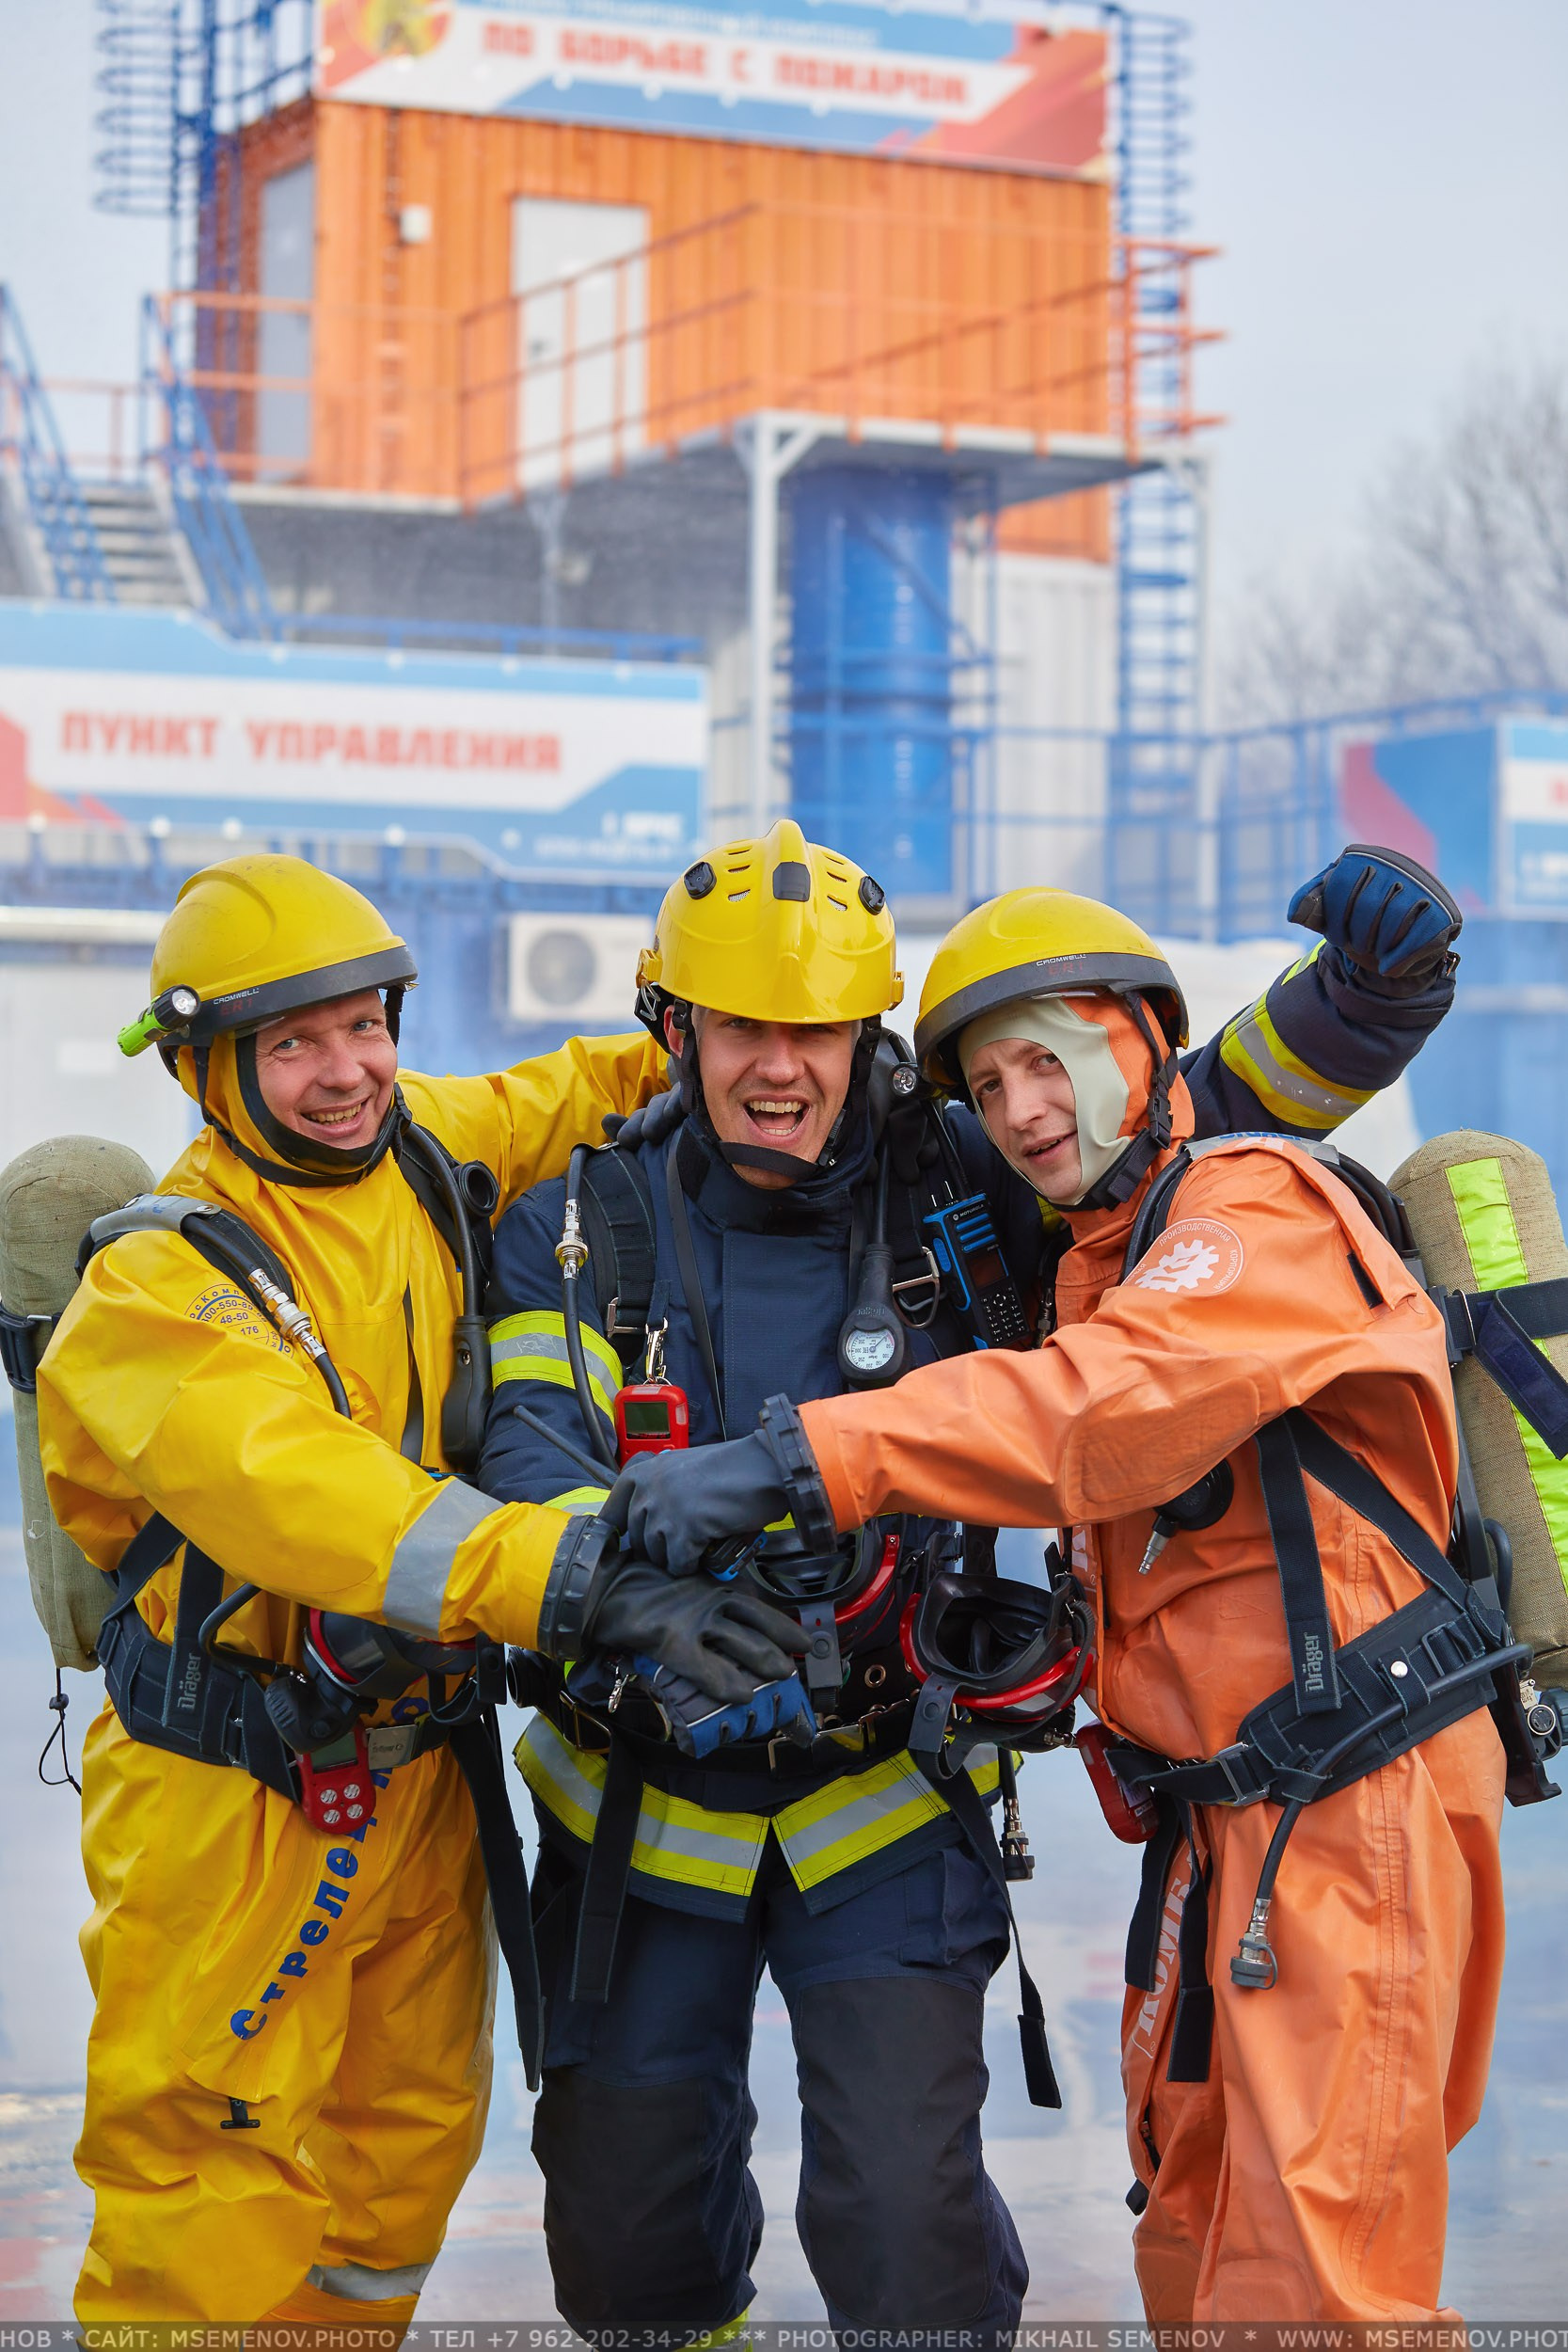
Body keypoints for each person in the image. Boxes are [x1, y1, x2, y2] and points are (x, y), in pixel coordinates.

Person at [480, 826, 1470, 2339]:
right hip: (636, 1798)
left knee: (906, 2226)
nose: (780, 1070)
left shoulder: (964, 1181)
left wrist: (1365, 1007)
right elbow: (530, 1456)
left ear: (864, 1035)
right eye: (742, 1027)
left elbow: (1162, 1115)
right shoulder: (578, 1220)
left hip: (885, 1790)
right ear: (670, 1029)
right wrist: (622, 1598)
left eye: (816, 1031)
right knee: (622, 2240)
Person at [34, 852, 804, 2332]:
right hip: (234, 1804)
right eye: (293, 1044)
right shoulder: (156, 1293)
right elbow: (308, 1490)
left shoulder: (419, 1147)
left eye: (365, 1025)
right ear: (203, 1069)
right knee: (205, 2189)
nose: (347, 1073)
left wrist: (750, 1010)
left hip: (419, 1781)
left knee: (398, 2172)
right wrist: (575, 1577)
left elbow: (576, 1091)